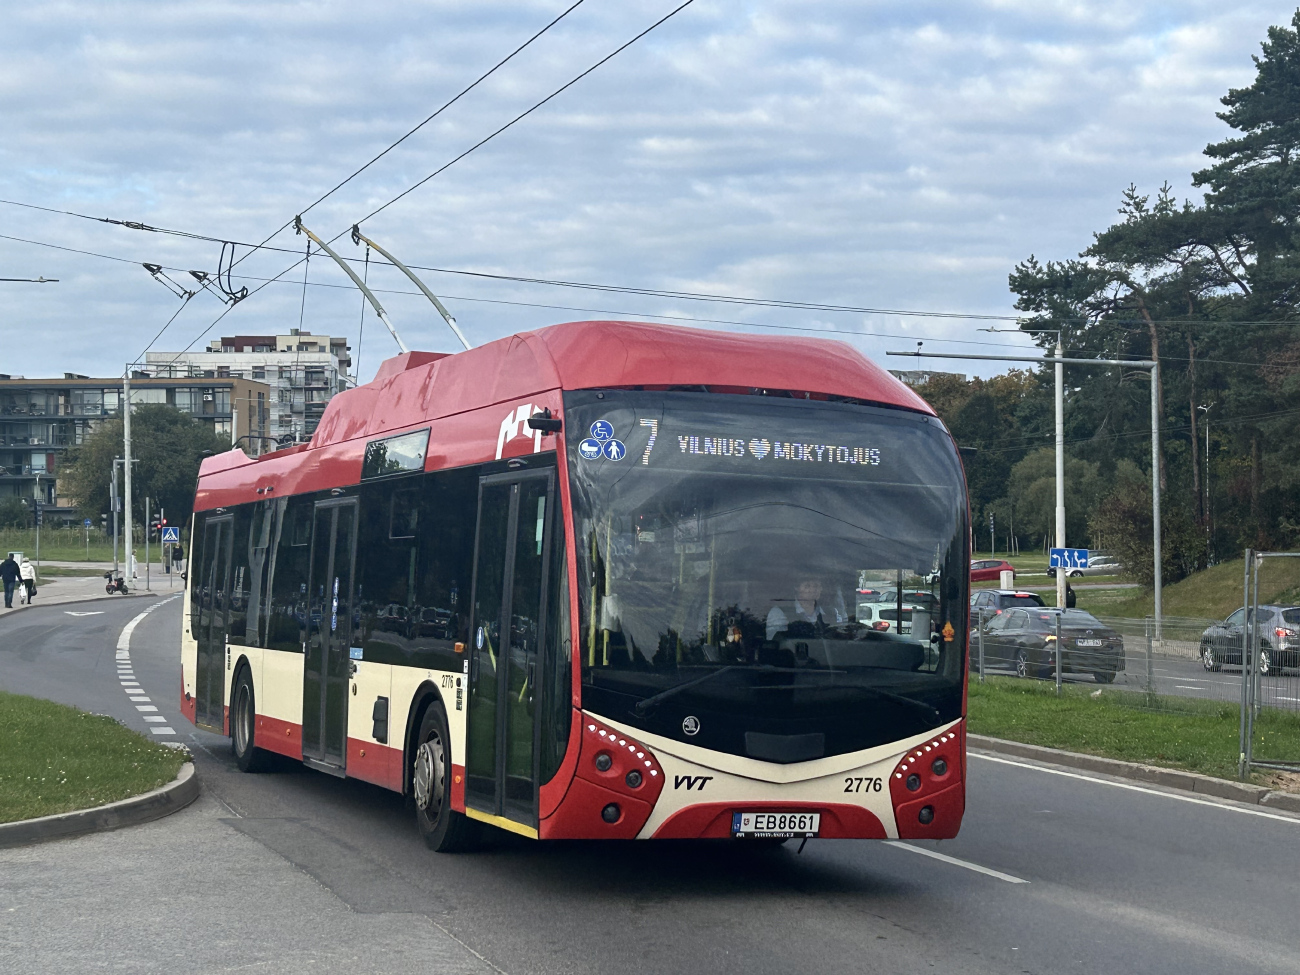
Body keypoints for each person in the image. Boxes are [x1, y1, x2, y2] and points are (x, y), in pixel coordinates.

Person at [766, 578, 847, 640]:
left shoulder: (832, 612)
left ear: (821, 589)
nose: (812, 590)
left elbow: (842, 637)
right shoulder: (779, 612)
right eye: (807, 586)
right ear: (797, 588)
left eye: (816, 586)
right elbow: (775, 644)